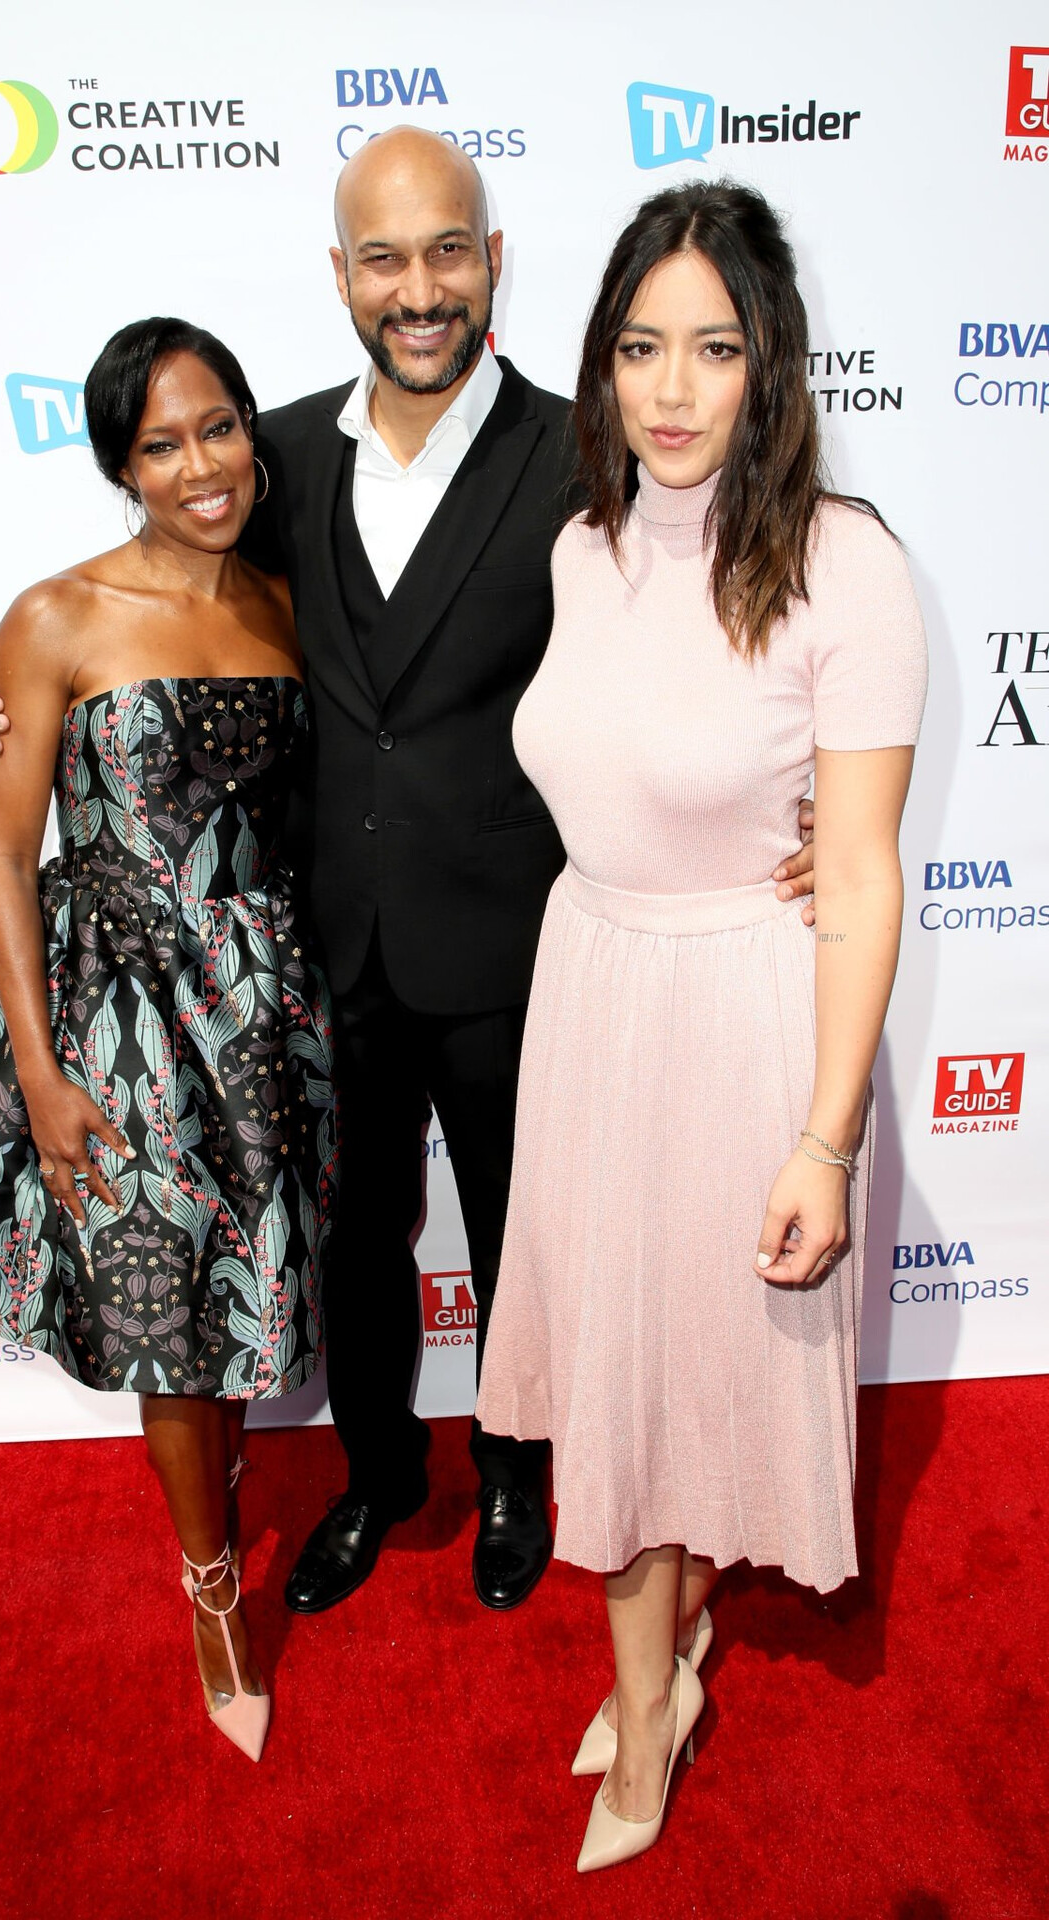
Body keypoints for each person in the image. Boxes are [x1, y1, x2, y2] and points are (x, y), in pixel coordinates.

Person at [0, 129, 817, 1616]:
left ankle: (513, 1471)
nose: (417, 290)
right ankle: (376, 1474)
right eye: (383, 258)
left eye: (445, 252)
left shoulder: (585, 452)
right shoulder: (276, 456)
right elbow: (171, 616)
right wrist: (19, 714)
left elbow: (717, 608)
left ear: (492, 261)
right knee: (357, 1242)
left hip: (515, 941)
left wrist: (808, 788)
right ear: (342, 275)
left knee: (518, 1232)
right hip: (310, 954)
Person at [476, 178, 927, 1871]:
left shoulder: (845, 563)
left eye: (716, 349)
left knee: (678, 1372)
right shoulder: (582, 545)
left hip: (743, 1027)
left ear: (770, 364)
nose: (673, 389)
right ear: (602, 361)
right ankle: (661, 1656)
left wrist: (826, 1139)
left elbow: (860, 871)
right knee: (619, 1368)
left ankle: (649, 1709)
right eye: (641, 346)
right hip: (591, 996)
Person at [0, 318, 337, 1763]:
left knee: (244, 1295)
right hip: (121, 1018)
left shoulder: (289, 605)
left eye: (219, 428)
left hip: (264, 1009)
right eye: (161, 444)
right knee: (167, 1316)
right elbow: (5, 853)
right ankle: (212, 1591)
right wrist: (41, 1072)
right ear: (119, 465)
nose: (200, 465)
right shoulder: (55, 618)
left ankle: (226, 1486)